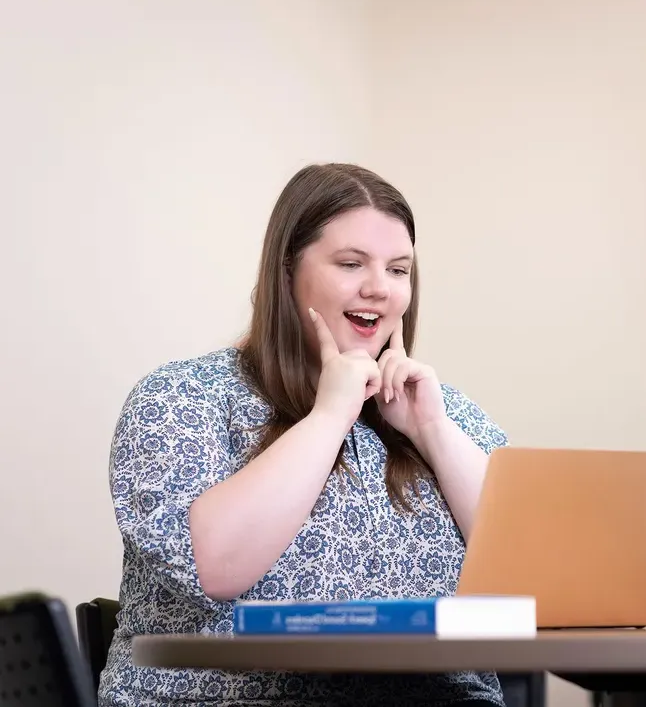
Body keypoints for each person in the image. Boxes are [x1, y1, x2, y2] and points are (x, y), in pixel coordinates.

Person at [99, 163, 510, 707]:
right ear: (286, 269)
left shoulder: (445, 413)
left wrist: (433, 430)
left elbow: (536, 581)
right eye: (350, 263)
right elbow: (214, 568)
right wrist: (328, 416)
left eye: (398, 269)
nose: (379, 288)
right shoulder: (182, 397)